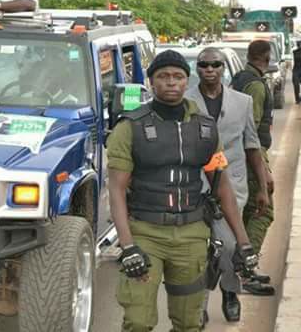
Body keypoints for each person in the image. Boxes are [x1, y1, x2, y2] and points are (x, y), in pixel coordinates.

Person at [107, 50, 258, 332]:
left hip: (191, 236)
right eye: (163, 77)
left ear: (185, 80)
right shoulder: (130, 127)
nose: (171, 82)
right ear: (152, 82)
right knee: (138, 321)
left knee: (190, 322)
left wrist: (243, 242)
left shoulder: (205, 128)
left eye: (178, 76)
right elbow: (115, 190)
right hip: (145, 233)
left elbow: (222, 185)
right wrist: (128, 246)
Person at [186, 47, 272, 323]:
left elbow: (252, 145)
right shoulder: (185, 101)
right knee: (199, 249)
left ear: (224, 69)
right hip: (192, 186)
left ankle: (229, 292)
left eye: (216, 65)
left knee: (229, 245)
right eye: (204, 65)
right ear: (197, 69)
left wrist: (261, 185)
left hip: (231, 185)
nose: (210, 70)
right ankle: (199, 305)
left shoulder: (243, 101)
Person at [230, 40, 277, 293]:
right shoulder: (256, 86)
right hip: (250, 157)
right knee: (263, 211)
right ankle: (245, 271)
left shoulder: (240, 78)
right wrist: (263, 172)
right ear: (266, 59)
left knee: (248, 214)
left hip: (239, 157)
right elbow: (251, 133)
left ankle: (241, 270)